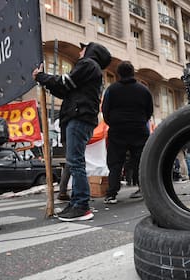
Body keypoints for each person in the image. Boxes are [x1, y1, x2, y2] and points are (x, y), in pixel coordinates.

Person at [32, 42, 111, 221]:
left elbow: (64, 82)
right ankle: (76, 202)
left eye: (83, 48)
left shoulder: (88, 64)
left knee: (75, 162)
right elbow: (65, 90)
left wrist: (42, 77)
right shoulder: (91, 69)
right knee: (74, 161)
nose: (80, 51)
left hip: (78, 117)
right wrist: (45, 81)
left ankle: (81, 205)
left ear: (91, 51)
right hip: (78, 117)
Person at [102, 61, 153, 204]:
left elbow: (105, 110)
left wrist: (112, 122)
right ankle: (143, 188)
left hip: (118, 130)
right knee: (141, 159)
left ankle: (112, 193)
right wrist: (141, 120)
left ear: (118, 74)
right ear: (133, 73)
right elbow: (149, 111)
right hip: (139, 129)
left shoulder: (112, 89)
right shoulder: (143, 90)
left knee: (115, 162)